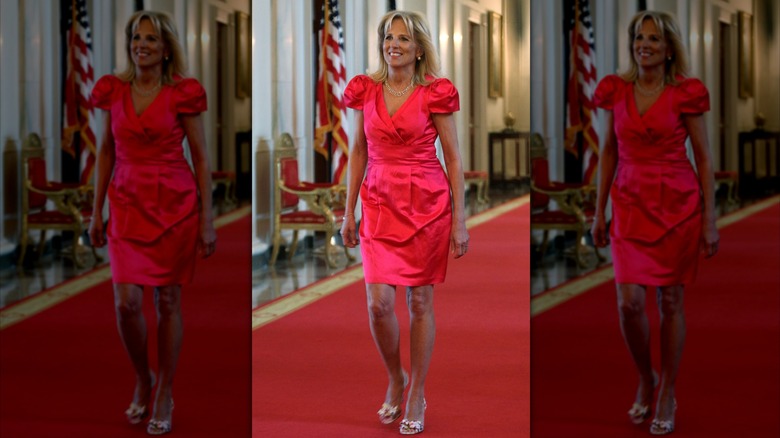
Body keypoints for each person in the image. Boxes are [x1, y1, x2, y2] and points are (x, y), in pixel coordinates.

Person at [340, 10, 469, 436]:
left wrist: (460, 220)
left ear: (418, 49)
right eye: (388, 37)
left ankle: (417, 390)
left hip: (426, 205)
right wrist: (347, 211)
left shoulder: (435, 92)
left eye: (402, 38)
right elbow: (358, 150)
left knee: (419, 302)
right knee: (378, 303)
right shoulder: (367, 90)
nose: (393, 44)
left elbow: (452, 156)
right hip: (377, 202)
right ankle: (396, 375)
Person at [590, 10, 719, 436]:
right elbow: (608, 151)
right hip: (628, 203)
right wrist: (598, 211)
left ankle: (667, 389)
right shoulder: (618, 90)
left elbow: (702, 156)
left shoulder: (685, 93)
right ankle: (645, 374)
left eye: (653, 39)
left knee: (670, 302)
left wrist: (710, 220)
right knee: (628, 302)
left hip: (678, 205)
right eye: (638, 37)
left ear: (668, 49)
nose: (643, 44)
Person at [89, 10, 216, 436]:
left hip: (174, 206)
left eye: (149, 39)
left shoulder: (182, 93)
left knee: (167, 302)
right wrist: (95, 212)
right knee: (126, 301)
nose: (140, 44)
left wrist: (208, 219)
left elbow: (199, 156)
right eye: (135, 38)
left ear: (165, 49)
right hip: (125, 203)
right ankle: (142, 375)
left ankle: (164, 388)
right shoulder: (114, 90)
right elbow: (105, 150)